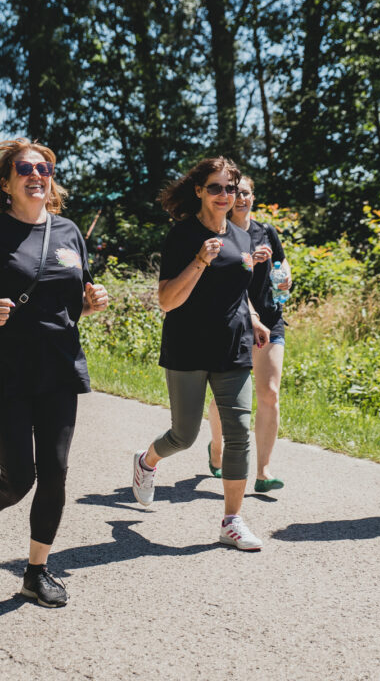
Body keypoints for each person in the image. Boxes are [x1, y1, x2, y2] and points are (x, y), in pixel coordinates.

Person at [0, 138, 109, 608]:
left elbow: (74, 301)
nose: (37, 173)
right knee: (19, 478)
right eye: (26, 167)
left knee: (55, 473)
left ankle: (36, 572)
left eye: (45, 167)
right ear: (8, 181)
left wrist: (91, 304)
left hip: (59, 367)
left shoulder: (69, 232)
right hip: (5, 370)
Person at [131, 157, 270, 551]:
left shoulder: (243, 238)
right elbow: (166, 301)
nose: (225, 196)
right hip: (188, 347)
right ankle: (147, 461)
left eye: (232, 189)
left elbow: (238, 290)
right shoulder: (183, 235)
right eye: (216, 188)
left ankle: (231, 521)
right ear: (199, 191)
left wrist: (255, 318)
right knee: (185, 434)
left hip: (233, 347)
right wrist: (200, 261)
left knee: (239, 432)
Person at [205, 175, 290, 492]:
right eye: (233, 192)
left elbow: (282, 264)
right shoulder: (219, 233)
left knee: (269, 393)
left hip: (271, 317)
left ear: (254, 196)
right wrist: (250, 265)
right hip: (233, 320)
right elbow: (220, 281)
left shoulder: (265, 231)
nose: (239, 198)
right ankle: (217, 448)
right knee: (224, 398)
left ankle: (264, 471)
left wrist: (283, 279)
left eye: (245, 193)